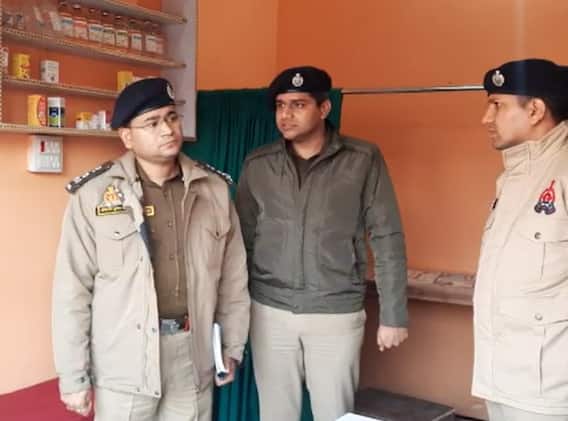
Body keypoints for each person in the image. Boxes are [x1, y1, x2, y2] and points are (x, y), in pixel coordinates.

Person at [52, 77, 250, 421]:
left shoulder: (213, 190)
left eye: (172, 117)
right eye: (152, 122)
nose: (168, 130)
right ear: (127, 137)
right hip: (124, 360)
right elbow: (72, 290)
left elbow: (233, 277)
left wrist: (230, 346)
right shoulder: (94, 196)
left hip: (192, 354)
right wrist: (73, 375)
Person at [235, 66, 409, 421]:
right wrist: (237, 311)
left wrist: (393, 315)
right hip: (270, 311)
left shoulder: (361, 159)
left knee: (335, 413)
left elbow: (386, 236)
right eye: (280, 105)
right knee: (276, 415)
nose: (286, 115)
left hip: (335, 312)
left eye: (298, 105)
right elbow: (241, 242)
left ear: (324, 108)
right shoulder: (259, 164)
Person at [473, 58, 568, 421]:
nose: (486, 118)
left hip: (551, 389)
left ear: (535, 110)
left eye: (497, 105)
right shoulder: (514, 177)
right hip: (501, 379)